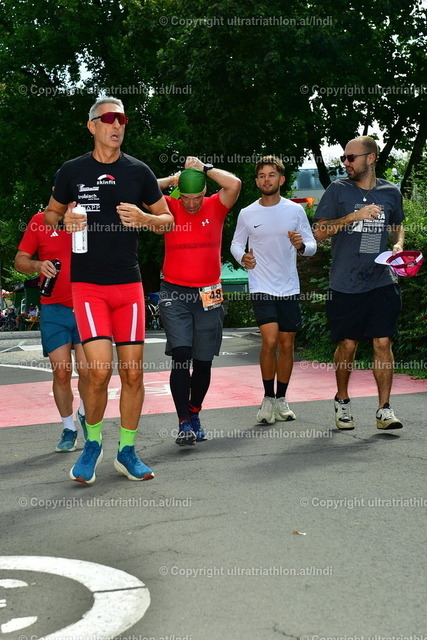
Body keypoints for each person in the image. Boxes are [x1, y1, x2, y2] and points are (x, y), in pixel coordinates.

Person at [44, 97, 174, 483]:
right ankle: (93, 444)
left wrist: (146, 217)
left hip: (128, 287)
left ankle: (127, 451)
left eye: (122, 119)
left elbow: (167, 220)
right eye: (109, 118)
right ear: (92, 126)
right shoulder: (72, 170)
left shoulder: (138, 171)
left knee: (133, 375)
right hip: (88, 288)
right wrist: (63, 220)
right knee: (98, 373)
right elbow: (50, 214)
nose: (117, 125)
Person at [313, 135, 405, 431]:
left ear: (371, 158)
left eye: (351, 157)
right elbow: (319, 231)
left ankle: (384, 409)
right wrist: (355, 216)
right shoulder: (337, 190)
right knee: (348, 344)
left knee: (383, 341)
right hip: (346, 283)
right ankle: (342, 401)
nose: (346, 162)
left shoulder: (390, 191)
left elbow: (397, 225)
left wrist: (398, 244)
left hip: (381, 280)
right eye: (344, 157)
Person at [157, 157, 241, 445]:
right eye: (186, 197)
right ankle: (183, 422)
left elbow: (234, 184)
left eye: (197, 197)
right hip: (174, 292)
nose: (191, 204)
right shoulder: (169, 206)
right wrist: (173, 179)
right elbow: (141, 188)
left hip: (209, 292)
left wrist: (204, 168)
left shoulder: (216, 206)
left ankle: (194, 412)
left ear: (205, 191)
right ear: (180, 193)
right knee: (182, 356)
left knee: (203, 362)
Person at [231, 155, 317, 424]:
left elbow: (312, 246)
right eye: (261, 176)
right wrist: (243, 257)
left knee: (286, 344)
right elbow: (236, 244)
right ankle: (268, 398)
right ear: (256, 181)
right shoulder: (247, 213)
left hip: (289, 286)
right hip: (261, 285)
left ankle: (281, 399)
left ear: (281, 179)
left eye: (271, 175)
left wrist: (301, 245)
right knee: (269, 341)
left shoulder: (295, 211)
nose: (266, 180)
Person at [15, 206, 89, 452]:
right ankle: (69, 429)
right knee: (61, 372)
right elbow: (20, 260)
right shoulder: (39, 221)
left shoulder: (90, 216)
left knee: (89, 372)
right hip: (54, 309)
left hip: (88, 304)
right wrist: (38, 265)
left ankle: (84, 413)